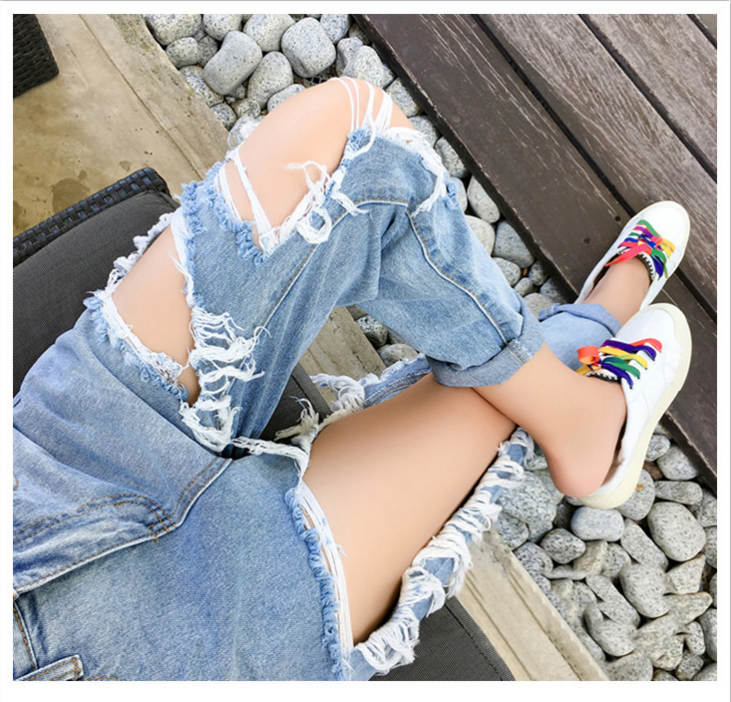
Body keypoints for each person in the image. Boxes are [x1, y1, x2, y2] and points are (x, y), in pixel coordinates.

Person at [12, 76, 691, 681]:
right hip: (164, 650)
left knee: (350, 137)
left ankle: (576, 392)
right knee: (488, 407)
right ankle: (598, 335)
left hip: (47, 486)